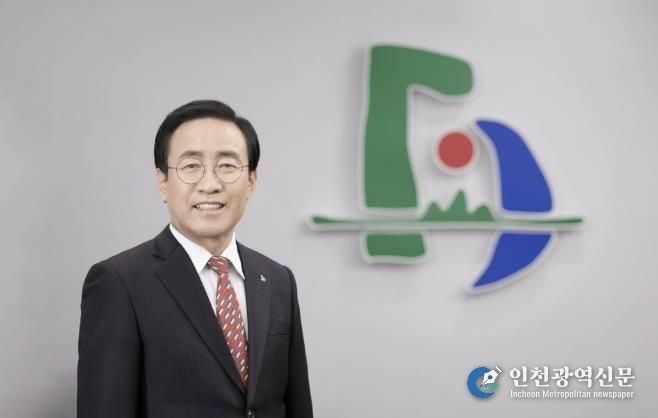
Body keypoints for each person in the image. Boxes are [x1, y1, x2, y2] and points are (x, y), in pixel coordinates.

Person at [77, 100, 313, 418]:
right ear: (163, 182)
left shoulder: (278, 279)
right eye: (191, 166)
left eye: (227, 166)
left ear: (251, 181)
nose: (210, 184)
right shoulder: (119, 283)